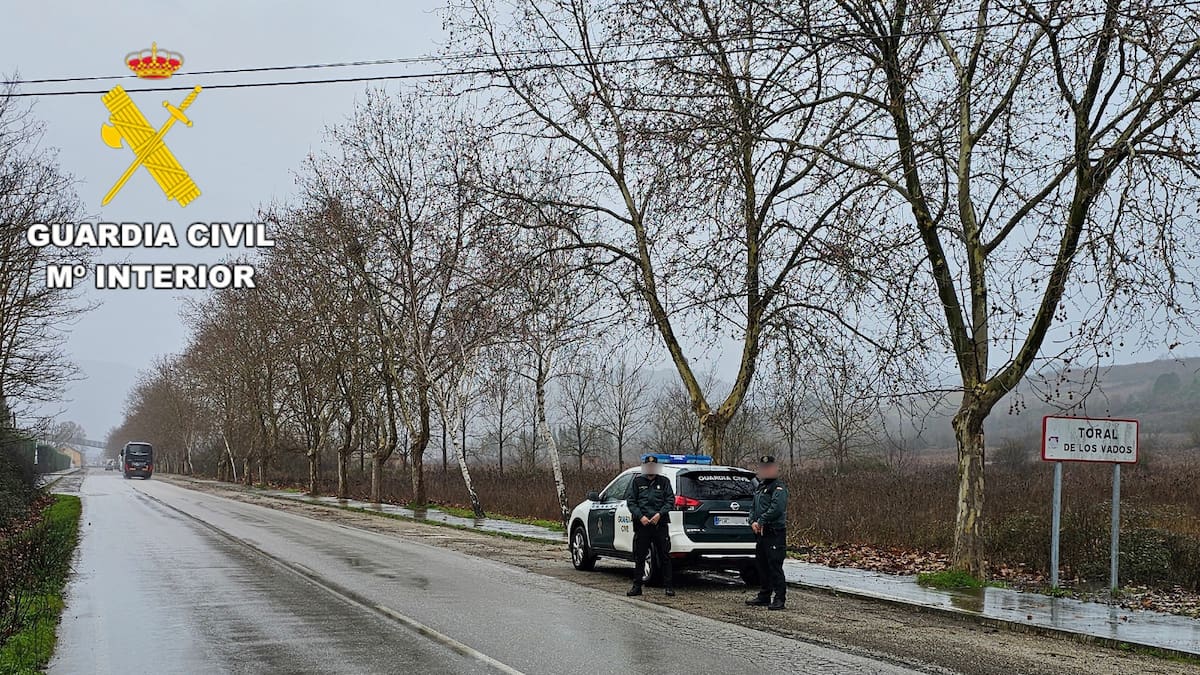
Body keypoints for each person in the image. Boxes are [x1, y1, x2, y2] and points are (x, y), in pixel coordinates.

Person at [625, 455, 675, 597]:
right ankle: (637, 586)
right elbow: (631, 501)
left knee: (664, 556)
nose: (651, 468)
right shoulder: (637, 482)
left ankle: (668, 587)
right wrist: (641, 517)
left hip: (660, 524)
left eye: (653, 466)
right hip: (642, 525)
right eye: (648, 466)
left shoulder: (664, 482)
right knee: (640, 557)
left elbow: (670, 500)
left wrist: (659, 514)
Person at [746, 455, 788, 610]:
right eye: (764, 468)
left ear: (775, 469)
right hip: (761, 533)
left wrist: (761, 520)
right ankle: (764, 595)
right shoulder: (760, 486)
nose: (766, 470)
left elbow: (777, 508)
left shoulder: (778, 487)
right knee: (762, 565)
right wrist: (752, 521)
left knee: (774, 566)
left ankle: (779, 598)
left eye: (769, 467)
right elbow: (753, 507)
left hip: (774, 532)